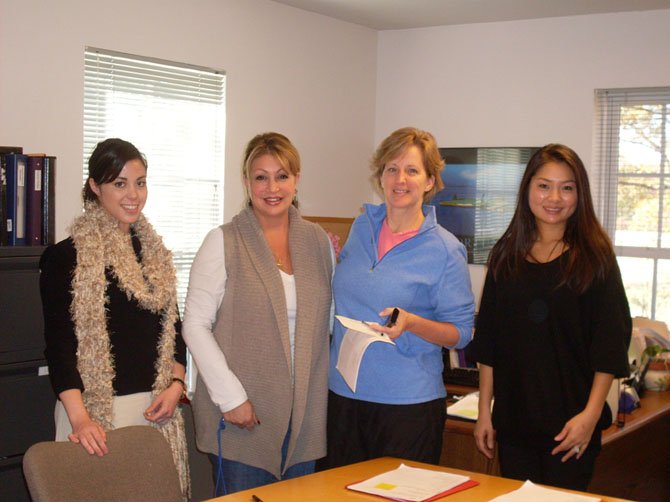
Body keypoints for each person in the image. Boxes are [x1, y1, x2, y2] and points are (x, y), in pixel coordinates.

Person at [469, 144, 631, 491]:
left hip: (571, 428)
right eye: (544, 185)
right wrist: (485, 411)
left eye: (567, 187)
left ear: (579, 194)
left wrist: (589, 417)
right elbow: (489, 342)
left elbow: (610, 344)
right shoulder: (505, 255)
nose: (554, 197)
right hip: (513, 426)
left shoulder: (595, 259)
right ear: (528, 188)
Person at [183, 132, 334, 494]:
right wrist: (231, 398)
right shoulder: (223, 241)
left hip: (303, 421)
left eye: (282, 175)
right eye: (261, 176)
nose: (272, 187)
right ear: (247, 182)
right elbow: (195, 326)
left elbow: (324, 327)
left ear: (296, 180)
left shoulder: (318, 243)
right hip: (243, 419)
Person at [39, 138, 190, 497]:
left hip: (155, 413)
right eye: (119, 184)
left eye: (140, 182)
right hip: (92, 415)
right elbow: (59, 348)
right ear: (95, 187)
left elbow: (175, 333)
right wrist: (80, 419)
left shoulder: (155, 256)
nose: (133, 195)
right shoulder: (66, 258)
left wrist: (176, 386)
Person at [322, 127, 475, 469]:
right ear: (381, 176)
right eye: (392, 169)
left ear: (430, 181)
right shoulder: (362, 227)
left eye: (412, 170)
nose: (400, 179)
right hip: (344, 398)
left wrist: (412, 323)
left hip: (407, 406)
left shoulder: (446, 249)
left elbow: (461, 332)